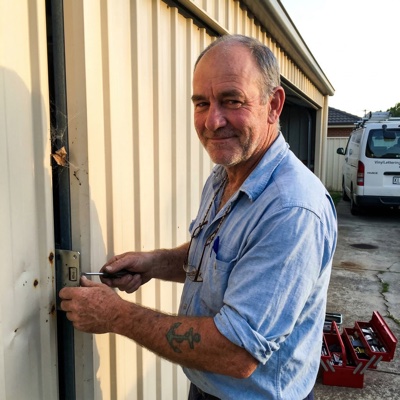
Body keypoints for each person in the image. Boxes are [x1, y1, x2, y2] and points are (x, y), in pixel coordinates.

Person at [60, 34, 337, 400]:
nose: (212, 121)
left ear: (273, 105)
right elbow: (218, 256)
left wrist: (116, 316)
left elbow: (236, 352)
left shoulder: (292, 210)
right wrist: (154, 263)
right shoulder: (226, 174)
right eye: (202, 103)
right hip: (207, 389)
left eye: (232, 101)